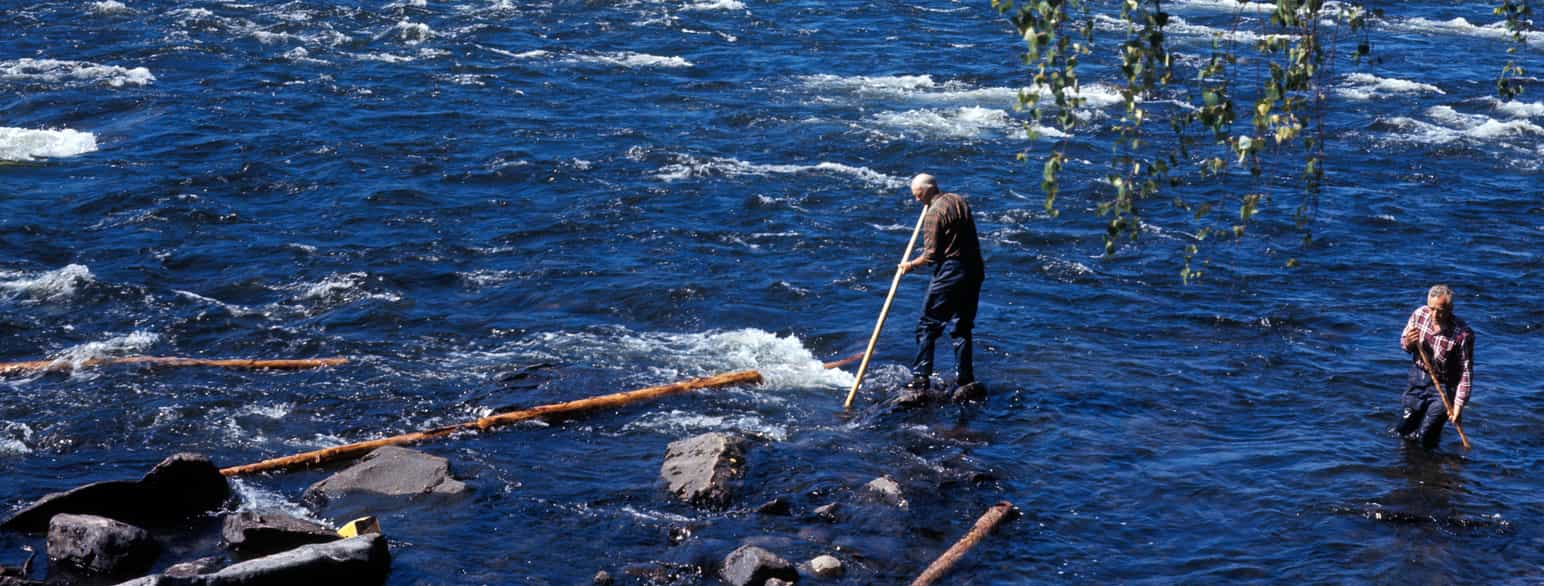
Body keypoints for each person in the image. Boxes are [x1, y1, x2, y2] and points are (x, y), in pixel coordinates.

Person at [897, 173, 984, 392]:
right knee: (962, 326)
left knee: (927, 325)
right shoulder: (959, 200)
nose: (917, 200)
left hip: (951, 272)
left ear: (926, 190)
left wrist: (910, 265)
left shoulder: (934, 213)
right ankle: (965, 378)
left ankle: (920, 378)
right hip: (973, 269)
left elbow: (931, 256)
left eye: (917, 195)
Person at [1394, 284, 1474, 450]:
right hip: (1418, 378)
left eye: (1440, 310)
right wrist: (1408, 341)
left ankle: (1430, 469)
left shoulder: (1462, 334)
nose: (1434, 315)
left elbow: (1466, 372)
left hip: (1443, 387)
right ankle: (1407, 466)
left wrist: (1458, 406)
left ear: (1450, 308)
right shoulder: (1419, 315)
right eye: (1431, 309)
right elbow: (1404, 345)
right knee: (1404, 428)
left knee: (1426, 435)